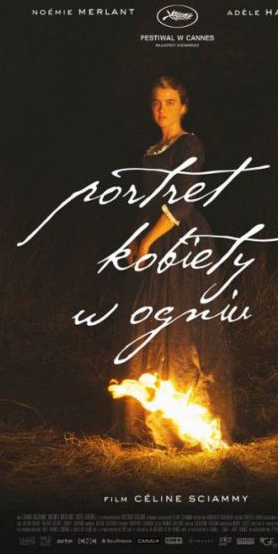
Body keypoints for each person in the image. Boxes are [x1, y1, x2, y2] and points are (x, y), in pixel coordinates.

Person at [110, 76, 234, 447]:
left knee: (183, 328)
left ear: (183, 106)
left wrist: (148, 240)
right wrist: (136, 241)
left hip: (183, 242)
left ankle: (191, 422)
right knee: (149, 323)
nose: (162, 109)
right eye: (156, 102)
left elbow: (181, 204)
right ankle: (149, 423)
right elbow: (147, 206)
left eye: (169, 102)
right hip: (153, 241)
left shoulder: (190, 145)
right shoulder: (150, 152)